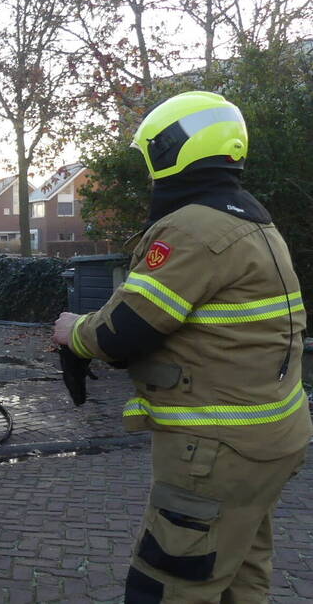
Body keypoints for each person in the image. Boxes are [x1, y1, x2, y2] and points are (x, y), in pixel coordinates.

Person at [53, 91, 309, 602]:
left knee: (169, 584)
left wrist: (72, 331)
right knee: (240, 574)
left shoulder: (193, 228)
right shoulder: (255, 222)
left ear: (171, 151)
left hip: (214, 453)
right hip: (271, 438)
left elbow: (123, 330)